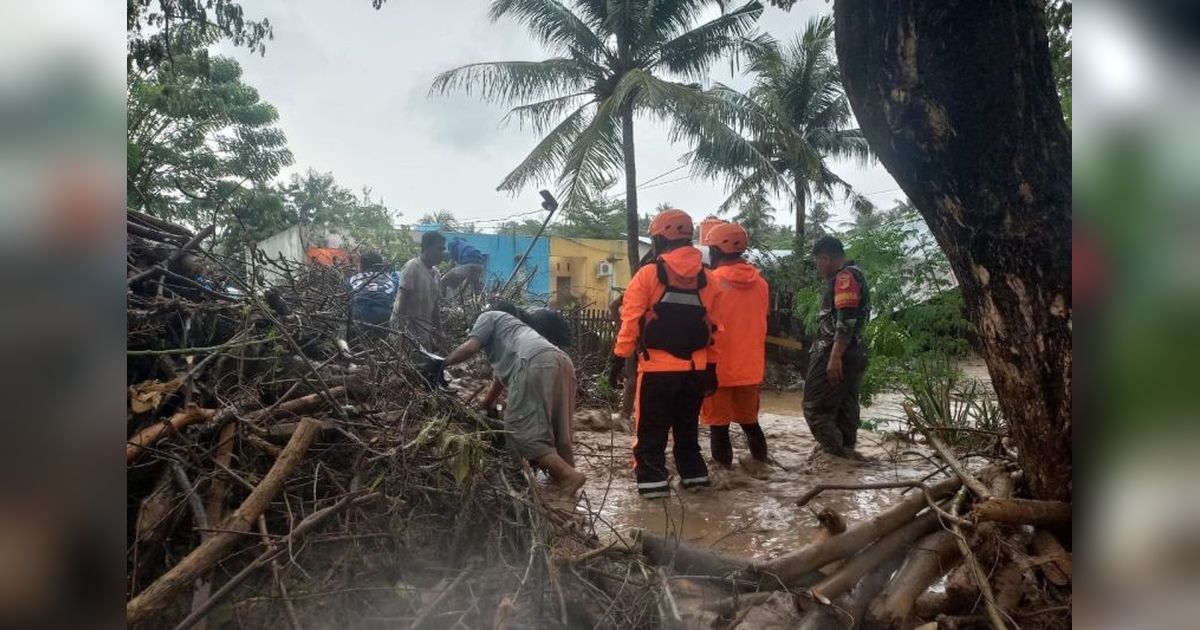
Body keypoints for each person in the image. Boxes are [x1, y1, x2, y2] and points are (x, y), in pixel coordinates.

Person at [609, 209, 721, 499]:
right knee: (687, 433)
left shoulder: (647, 275)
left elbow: (630, 321)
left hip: (657, 372)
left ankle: (653, 495)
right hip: (695, 371)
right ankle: (697, 485)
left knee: (650, 434)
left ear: (660, 239)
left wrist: (618, 358)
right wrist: (711, 368)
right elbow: (714, 330)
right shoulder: (709, 279)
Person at [442, 305, 585, 497]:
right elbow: (499, 381)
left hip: (534, 363)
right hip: (562, 361)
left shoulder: (487, 316)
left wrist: (441, 363)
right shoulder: (516, 334)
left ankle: (567, 476)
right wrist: (484, 406)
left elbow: (470, 347)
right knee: (561, 430)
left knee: (519, 430)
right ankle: (567, 487)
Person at [699, 222, 771, 472]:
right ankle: (762, 468)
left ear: (716, 250)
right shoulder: (761, 283)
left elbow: (705, 324)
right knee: (751, 423)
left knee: (719, 428)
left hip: (717, 369)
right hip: (751, 368)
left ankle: (725, 479)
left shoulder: (711, 282)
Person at [803, 235, 872, 460]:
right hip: (854, 351)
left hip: (837, 350)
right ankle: (847, 462)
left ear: (825, 258)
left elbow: (846, 320)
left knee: (814, 408)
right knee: (845, 408)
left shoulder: (845, 278)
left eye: (818, 262)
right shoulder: (855, 274)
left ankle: (839, 456)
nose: (818, 268)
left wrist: (834, 357)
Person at [392, 231, 445, 349]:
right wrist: (400, 328)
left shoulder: (436, 273)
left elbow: (435, 305)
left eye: (443, 249)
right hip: (407, 329)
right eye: (439, 249)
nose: (442, 253)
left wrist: (439, 330)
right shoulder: (412, 267)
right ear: (426, 248)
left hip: (423, 329)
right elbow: (402, 299)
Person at [347, 251, 399, 336]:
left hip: (360, 316)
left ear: (362, 266)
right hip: (386, 318)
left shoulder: (352, 280)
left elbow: (347, 300)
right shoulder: (390, 279)